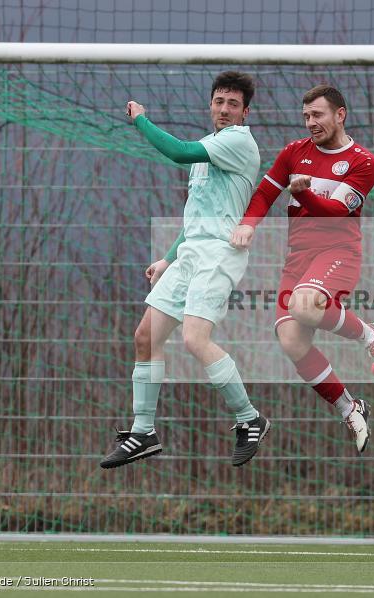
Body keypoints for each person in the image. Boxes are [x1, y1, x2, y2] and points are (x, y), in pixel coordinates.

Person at [100, 71, 270, 470]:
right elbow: (199, 218)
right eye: (219, 102)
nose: (225, 109)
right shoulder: (209, 148)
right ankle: (143, 432)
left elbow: (176, 151)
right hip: (192, 252)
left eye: (233, 104)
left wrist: (140, 118)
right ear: (210, 105)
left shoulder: (237, 141)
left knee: (195, 338)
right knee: (146, 336)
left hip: (220, 254)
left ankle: (250, 419)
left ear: (245, 112)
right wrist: (167, 258)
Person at [229, 85, 374, 454]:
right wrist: (248, 224)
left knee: (304, 306)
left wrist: (302, 193)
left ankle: (370, 335)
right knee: (291, 340)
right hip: (298, 257)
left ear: (340, 114)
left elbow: (336, 211)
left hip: (337, 249)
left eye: (317, 115)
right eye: (306, 116)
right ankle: (350, 407)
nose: (310, 122)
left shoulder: (363, 162)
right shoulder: (294, 152)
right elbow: (265, 193)